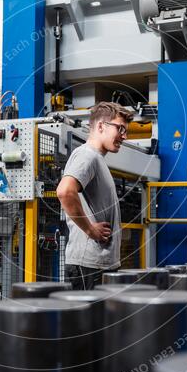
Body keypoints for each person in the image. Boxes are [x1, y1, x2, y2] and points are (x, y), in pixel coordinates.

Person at [57, 102, 132, 289]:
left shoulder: (97, 159)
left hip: (98, 264)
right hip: (88, 265)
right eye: (120, 128)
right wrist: (90, 229)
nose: (125, 136)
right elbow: (65, 191)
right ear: (100, 126)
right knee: (89, 319)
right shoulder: (86, 156)